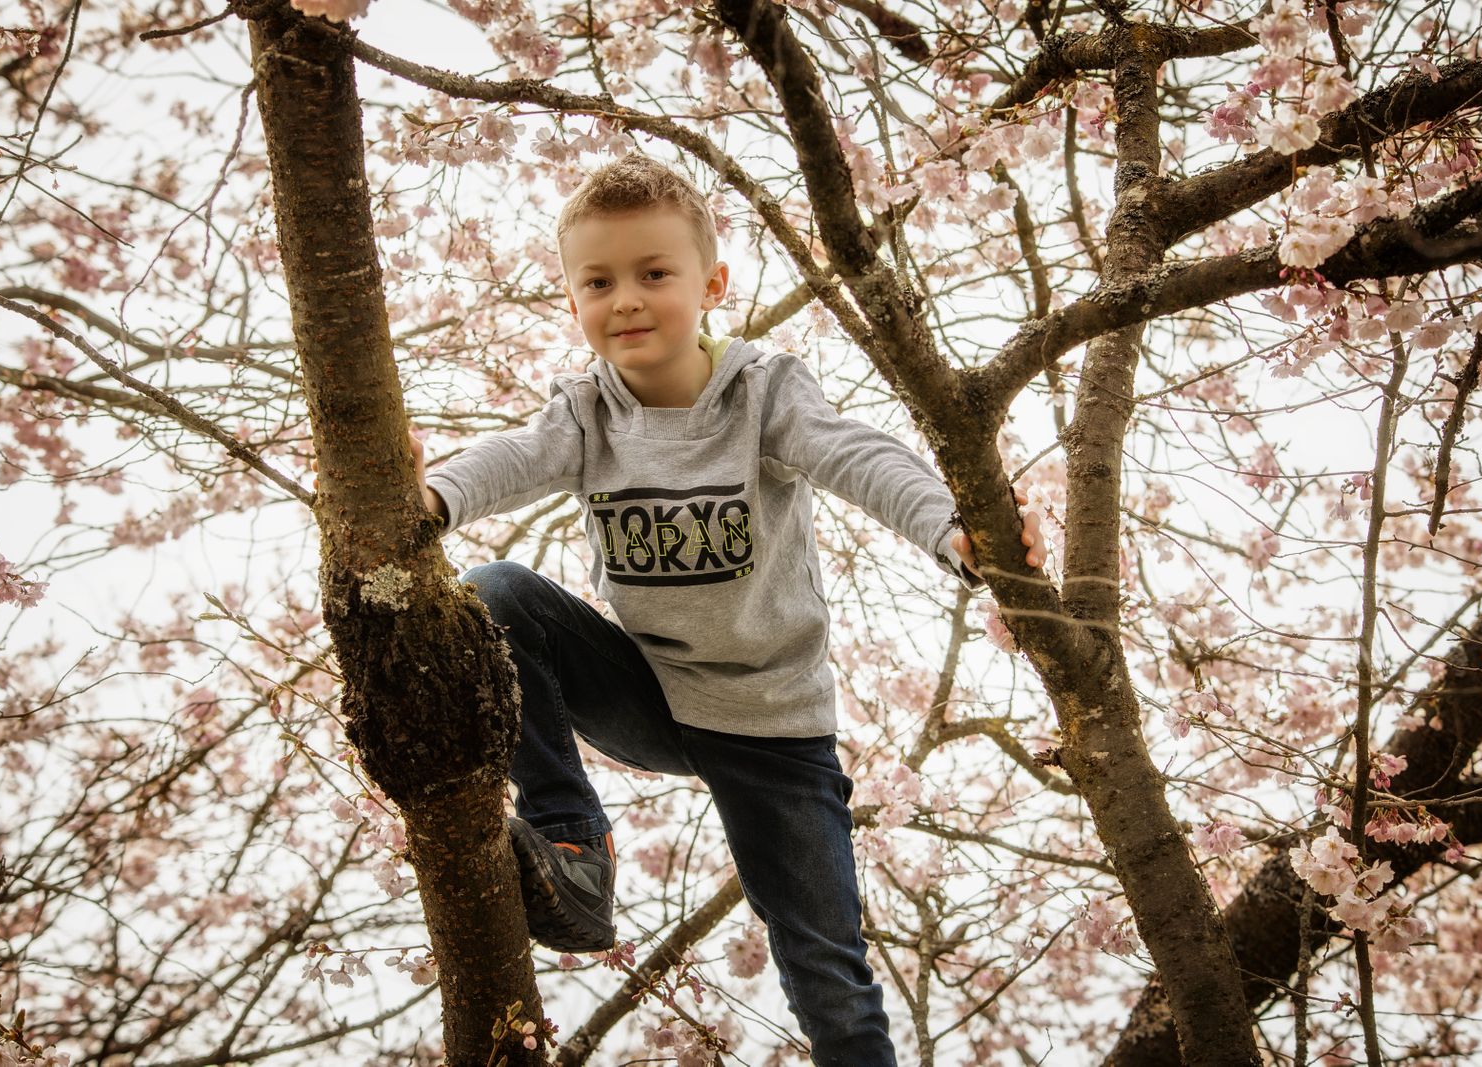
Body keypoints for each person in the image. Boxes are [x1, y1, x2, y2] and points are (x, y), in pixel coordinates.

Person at [410, 155, 1044, 1066]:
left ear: (712, 285)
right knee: (494, 593)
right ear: (572, 299)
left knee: (826, 966)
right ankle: (575, 851)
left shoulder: (762, 394)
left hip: (773, 727)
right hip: (654, 694)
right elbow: (509, 458)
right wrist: (430, 499)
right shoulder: (586, 411)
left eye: (653, 274)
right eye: (599, 282)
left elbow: (858, 455)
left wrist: (955, 530)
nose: (626, 300)